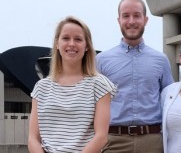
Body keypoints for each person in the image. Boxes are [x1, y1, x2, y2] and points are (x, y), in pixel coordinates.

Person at [96, 0, 174, 153]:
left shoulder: (161, 60)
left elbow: (170, 101)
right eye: (126, 16)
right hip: (112, 141)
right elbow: (93, 104)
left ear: (145, 20)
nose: (131, 21)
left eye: (137, 15)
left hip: (152, 141)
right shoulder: (101, 60)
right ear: (119, 20)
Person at [28, 16, 117, 153]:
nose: (71, 44)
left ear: (87, 46)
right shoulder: (41, 87)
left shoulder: (99, 85)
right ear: (57, 43)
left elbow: (101, 137)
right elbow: (33, 138)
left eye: (78, 39)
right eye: (66, 38)